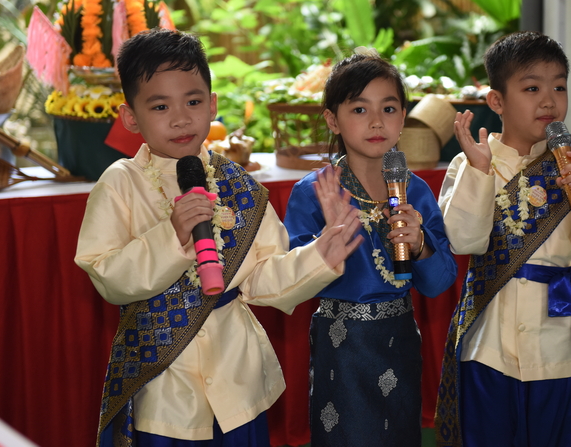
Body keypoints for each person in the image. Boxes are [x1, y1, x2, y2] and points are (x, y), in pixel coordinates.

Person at [75, 28, 364, 447]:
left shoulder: (237, 184)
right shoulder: (120, 183)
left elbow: (262, 280)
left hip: (238, 383)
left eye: (193, 102)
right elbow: (107, 276)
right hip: (165, 388)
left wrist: (320, 255)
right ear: (131, 117)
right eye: (160, 106)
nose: (180, 118)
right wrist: (172, 235)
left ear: (212, 105)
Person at [435, 31, 571, 447]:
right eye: (531, 88)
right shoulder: (472, 162)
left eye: (559, 87)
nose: (549, 101)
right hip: (489, 343)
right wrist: (480, 174)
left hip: (560, 345)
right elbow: (463, 241)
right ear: (496, 101)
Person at [283, 50, 457, 446]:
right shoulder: (315, 192)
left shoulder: (414, 191)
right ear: (333, 120)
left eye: (389, 108)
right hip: (341, 346)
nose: (377, 121)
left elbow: (439, 283)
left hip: (400, 339)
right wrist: (328, 243)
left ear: (403, 117)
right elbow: (292, 283)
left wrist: (420, 246)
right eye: (360, 109)